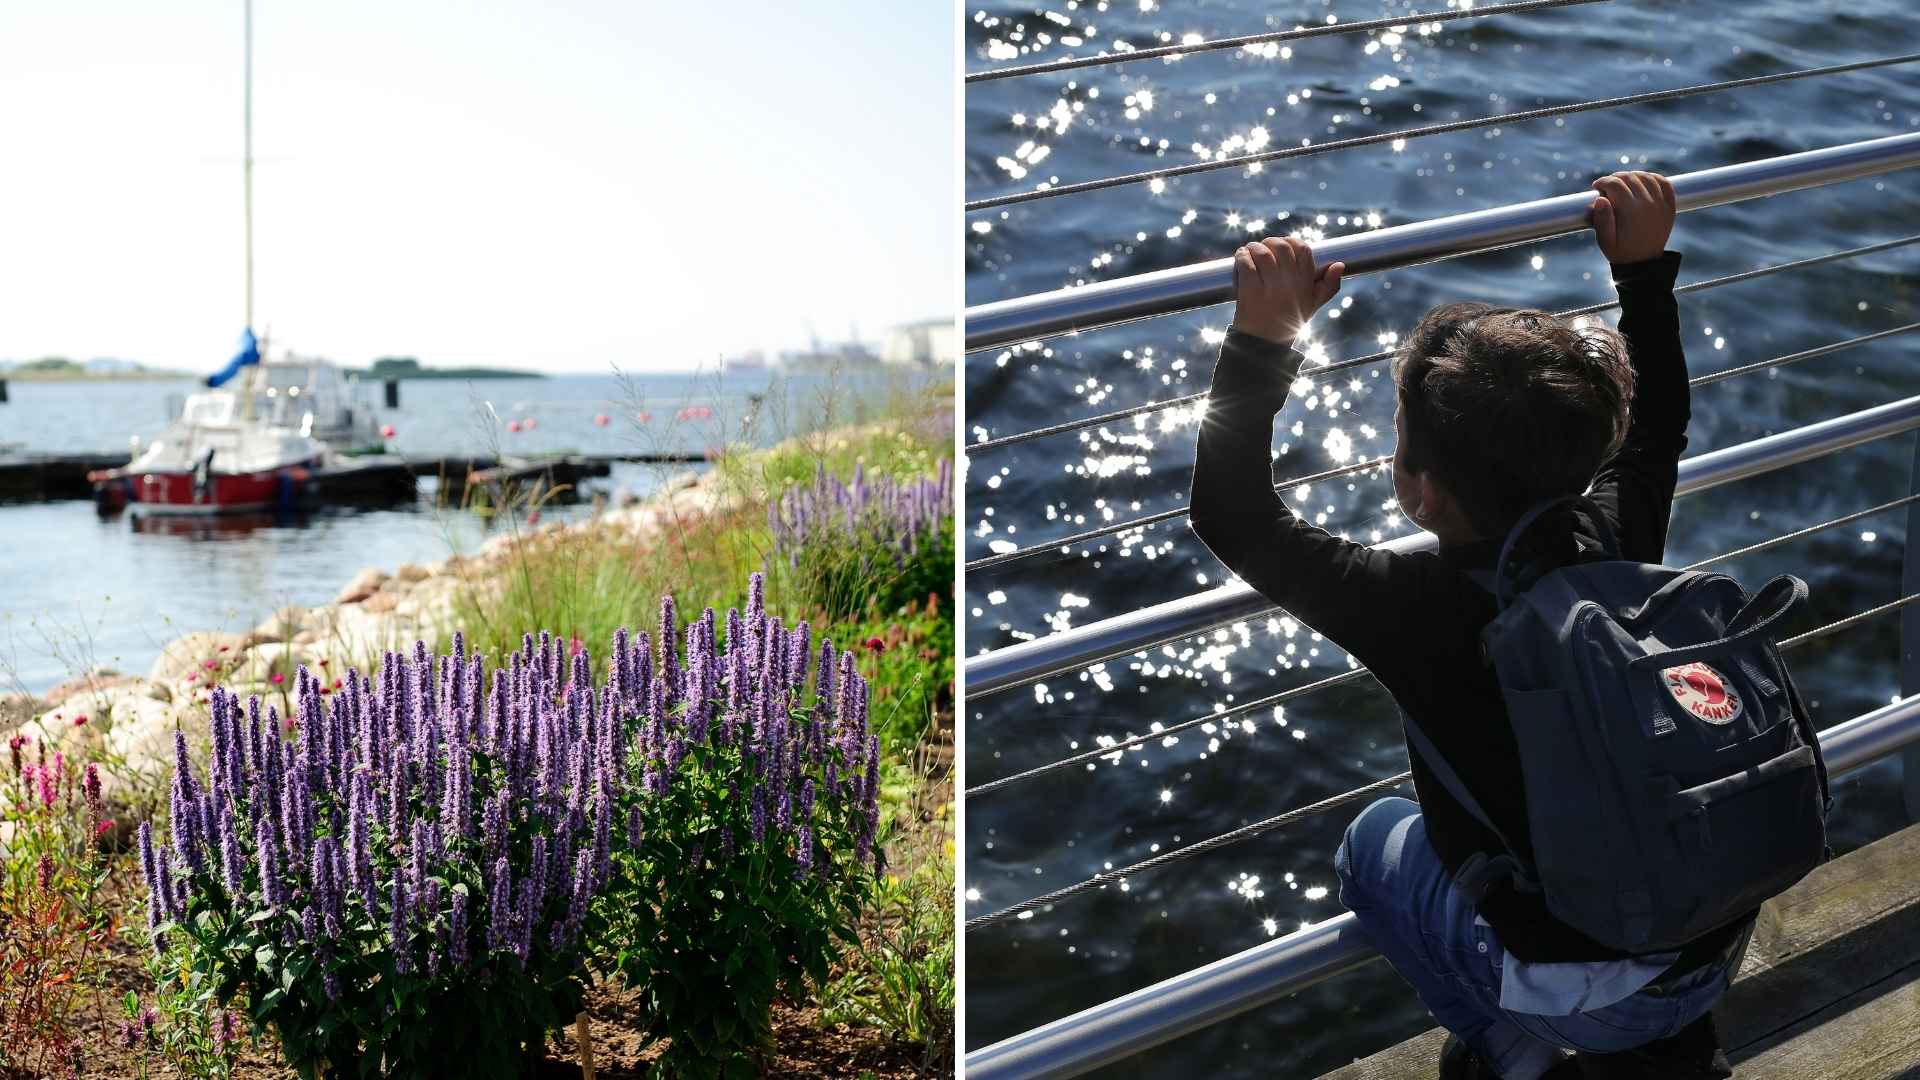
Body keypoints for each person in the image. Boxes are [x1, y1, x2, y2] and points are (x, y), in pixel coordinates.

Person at [1187, 172, 1750, 1079]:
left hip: (1597, 994)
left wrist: (1264, 336)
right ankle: (1670, 1045)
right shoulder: (1617, 533)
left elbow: (1230, 512)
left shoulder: (1408, 605)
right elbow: (1661, 427)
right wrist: (1643, 273)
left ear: (1422, 488)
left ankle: (1515, 1052)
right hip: (1713, 938)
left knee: (1375, 846)